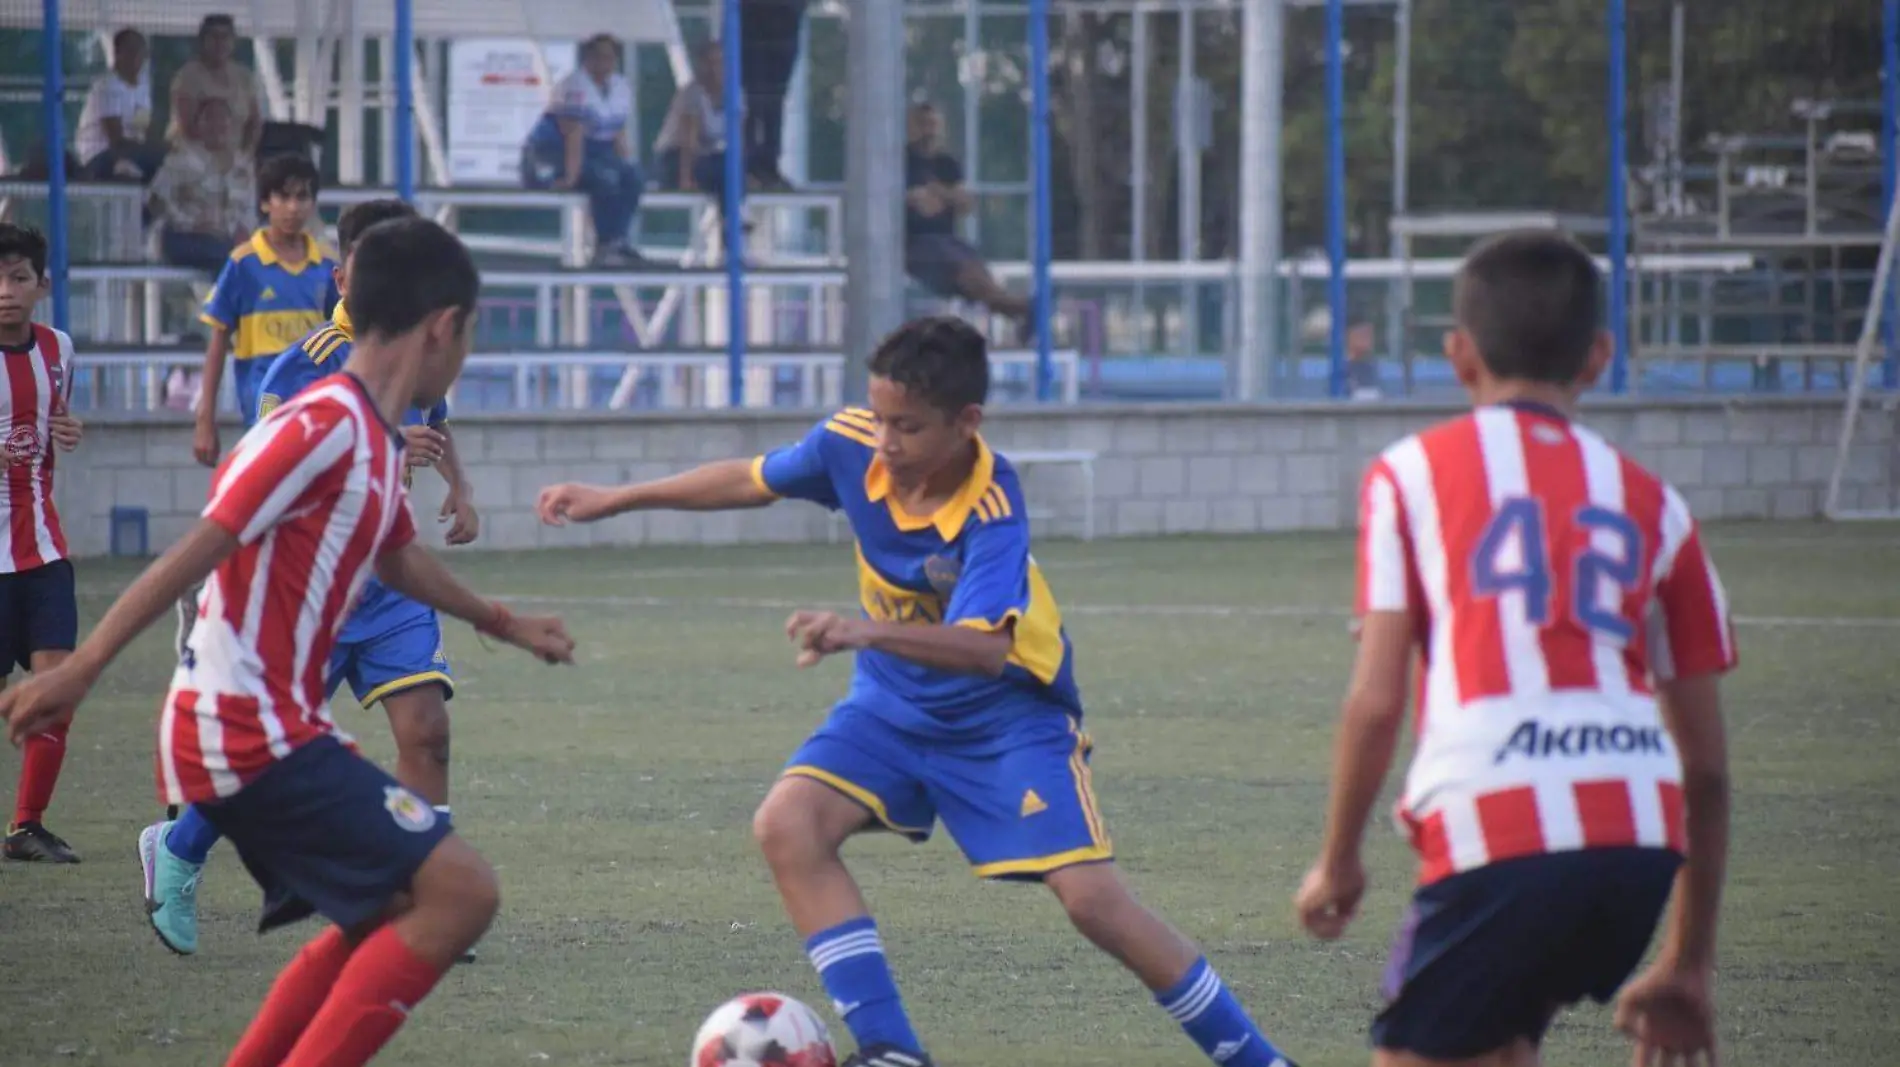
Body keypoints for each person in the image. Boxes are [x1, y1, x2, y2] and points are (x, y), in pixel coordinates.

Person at [535, 317, 1298, 1067]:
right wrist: (617, 497)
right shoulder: (850, 444)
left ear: (967, 421)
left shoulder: (992, 503)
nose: (886, 443)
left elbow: (984, 646)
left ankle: (1258, 1060)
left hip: (1006, 716)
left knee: (1093, 901)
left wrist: (862, 631)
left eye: (908, 427)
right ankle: (892, 1047)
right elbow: (752, 477)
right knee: (788, 825)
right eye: (880, 419)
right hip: (891, 703)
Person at [1, 216, 575, 1067]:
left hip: (268, 724)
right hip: (241, 724)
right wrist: (83, 666)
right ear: (443, 326)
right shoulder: (323, 422)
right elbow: (207, 539)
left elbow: (395, 554)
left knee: (390, 905)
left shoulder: (376, 433)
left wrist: (502, 622)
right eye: (472, 330)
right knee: (461, 892)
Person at [1293, 229, 1734, 1067]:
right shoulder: (1656, 502)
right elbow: (1707, 769)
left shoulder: (1409, 475)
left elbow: (1377, 699)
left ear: (1458, 356)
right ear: (1599, 356)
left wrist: (1339, 861)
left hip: (1498, 832)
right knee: (1499, 1048)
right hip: (1638, 839)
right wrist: (1688, 960)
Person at [142, 199, 482, 961]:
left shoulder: (421, 348)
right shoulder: (307, 364)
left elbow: (436, 416)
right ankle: (179, 847)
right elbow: (290, 477)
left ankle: (425, 894)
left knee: (427, 729)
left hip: (390, 589)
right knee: (267, 766)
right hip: (318, 597)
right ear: (345, 273)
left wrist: (458, 484)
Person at [0, 225, 86, 864]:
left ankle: (27, 826)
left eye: (19, 277)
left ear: (42, 285)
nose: (6, 292)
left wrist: (68, 427)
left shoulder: (59, 349)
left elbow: (54, 425)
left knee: (58, 689)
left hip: (44, 551)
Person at [904, 104, 1034, 341]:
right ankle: (1016, 308)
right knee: (962, 269)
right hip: (916, 245)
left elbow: (965, 204)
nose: (929, 131)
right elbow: (922, 204)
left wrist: (937, 193)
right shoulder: (903, 162)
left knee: (973, 265)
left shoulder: (947, 164)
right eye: (923, 125)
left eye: (933, 125)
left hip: (947, 240)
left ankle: (1013, 308)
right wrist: (943, 196)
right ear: (911, 127)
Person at [520, 33, 648, 267]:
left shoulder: (621, 86)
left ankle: (617, 240)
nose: (603, 62)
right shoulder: (574, 85)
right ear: (587, 57)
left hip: (596, 150)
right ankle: (605, 243)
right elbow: (573, 134)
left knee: (633, 177)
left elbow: (617, 131)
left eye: (609, 57)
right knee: (603, 178)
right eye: (597, 56)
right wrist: (570, 176)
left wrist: (626, 163)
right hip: (552, 151)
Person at [148, 98, 257, 276]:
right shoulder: (180, 160)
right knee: (230, 259)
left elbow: (249, 212)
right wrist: (192, 223)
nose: (217, 124)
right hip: (184, 238)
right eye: (210, 118)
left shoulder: (243, 166)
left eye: (223, 119)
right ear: (198, 126)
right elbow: (156, 202)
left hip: (225, 240)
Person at [75, 28, 162, 183]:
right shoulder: (108, 86)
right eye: (131, 51)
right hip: (99, 156)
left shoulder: (143, 89)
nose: (137, 57)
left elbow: (144, 129)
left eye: (142, 52)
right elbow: (116, 140)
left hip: (132, 154)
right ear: (117, 53)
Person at [168, 14, 263, 153]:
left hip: (237, 158)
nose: (220, 42)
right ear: (202, 41)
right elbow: (187, 128)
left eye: (225, 37)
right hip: (192, 158)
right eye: (213, 37)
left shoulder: (244, 76)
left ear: (233, 41)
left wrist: (245, 155)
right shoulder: (188, 76)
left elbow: (254, 123)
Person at [738, 0, 807, 190]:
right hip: (755, 20)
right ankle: (750, 165)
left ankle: (767, 166)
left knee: (774, 99)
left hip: (784, 20)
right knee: (754, 98)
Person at [653, 39, 729, 194]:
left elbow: (738, 138)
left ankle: (732, 216)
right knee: (719, 173)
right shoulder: (692, 94)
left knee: (728, 171)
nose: (714, 69)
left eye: (719, 63)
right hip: (675, 158)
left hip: (706, 155)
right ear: (700, 65)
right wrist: (685, 178)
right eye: (709, 63)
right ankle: (729, 216)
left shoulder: (735, 95)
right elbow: (689, 142)